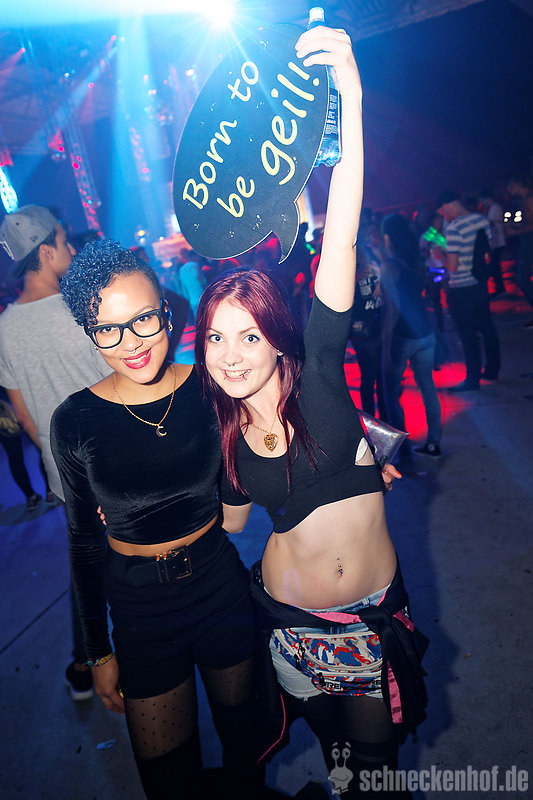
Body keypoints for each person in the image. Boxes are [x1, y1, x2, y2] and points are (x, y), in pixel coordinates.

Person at [195, 26, 427, 799]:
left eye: (248, 336)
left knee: (376, 774)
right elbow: (227, 526)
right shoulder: (225, 437)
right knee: (336, 763)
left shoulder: (319, 375)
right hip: (286, 627)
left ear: (277, 337)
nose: (230, 356)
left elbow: (343, 230)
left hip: (368, 619)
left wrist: (349, 93)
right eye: (215, 338)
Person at [50, 241, 260, 800]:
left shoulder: (211, 387)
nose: (132, 343)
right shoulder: (75, 420)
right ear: (90, 333)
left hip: (219, 586)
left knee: (246, 754)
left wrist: (357, 467)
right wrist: (97, 650)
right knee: (168, 782)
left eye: (143, 319)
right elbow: (83, 543)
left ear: (167, 312)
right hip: (140, 610)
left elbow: (260, 462)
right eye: (107, 329)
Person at [0, 204, 112, 700]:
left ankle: (86, 664)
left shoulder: (4, 327)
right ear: (45, 252)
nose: (70, 249)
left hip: (63, 473)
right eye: (64, 242)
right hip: (113, 460)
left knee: (85, 567)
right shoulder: (80, 306)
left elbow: (23, 417)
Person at [380, 214, 442, 459]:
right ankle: (434, 444)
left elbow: (393, 310)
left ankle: (402, 450)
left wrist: (386, 345)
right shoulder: (417, 261)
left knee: (391, 393)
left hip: (403, 337)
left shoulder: (389, 267)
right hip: (425, 332)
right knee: (427, 387)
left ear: (387, 238)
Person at [436, 190, 501, 390]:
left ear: (447, 205)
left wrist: (439, 256)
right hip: (479, 283)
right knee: (487, 327)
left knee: (467, 335)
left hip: (461, 288)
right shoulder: (481, 220)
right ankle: (492, 370)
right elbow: (486, 250)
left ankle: (472, 380)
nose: (443, 216)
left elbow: (452, 266)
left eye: (442, 212)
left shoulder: (454, 228)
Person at [506, 175, 533, 326]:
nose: (509, 189)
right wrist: (515, 226)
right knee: (523, 278)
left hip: (529, 240)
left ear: (518, 184)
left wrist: (516, 231)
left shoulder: (529, 199)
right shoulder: (524, 199)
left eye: (511, 185)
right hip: (527, 239)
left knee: (523, 278)